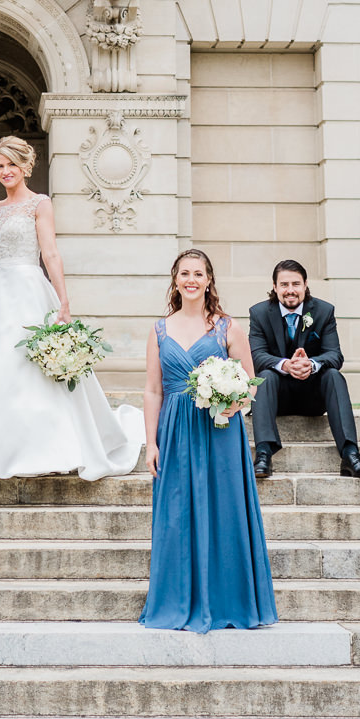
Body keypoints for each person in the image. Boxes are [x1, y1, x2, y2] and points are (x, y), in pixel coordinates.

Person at [0, 136, 143, 480]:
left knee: (33, 369)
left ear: (26, 166)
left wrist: (63, 301)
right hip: (0, 295)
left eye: (11, 165)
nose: (5, 171)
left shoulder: (40, 203)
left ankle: (50, 449)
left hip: (30, 291)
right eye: (0, 166)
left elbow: (49, 253)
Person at [140, 249, 277, 633]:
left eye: (198, 273)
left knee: (225, 510)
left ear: (209, 280)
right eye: (184, 273)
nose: (191, 280)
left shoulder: (228, 327)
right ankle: (177, 600)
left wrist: (234, 404)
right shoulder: (159, 330)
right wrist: (150, 443)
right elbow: (152, 391)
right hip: (175, 429)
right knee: (176, 516)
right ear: (175, 280)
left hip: (219, 431)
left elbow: (250, 383)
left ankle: (228, 600)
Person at [248, 260, 360, 481]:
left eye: (296, 283)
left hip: (313, 397)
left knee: (334, 375)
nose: (290, 290)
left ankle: (350, 454)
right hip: (276, 398)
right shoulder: (259, 313)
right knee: (265, 376)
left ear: (305, 284)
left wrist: (312, 364)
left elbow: (335, 355)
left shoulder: (324, 311)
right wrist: (285, 365)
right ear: (275, 286)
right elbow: (257, 356)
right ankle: (263, 454)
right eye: (284, 284)